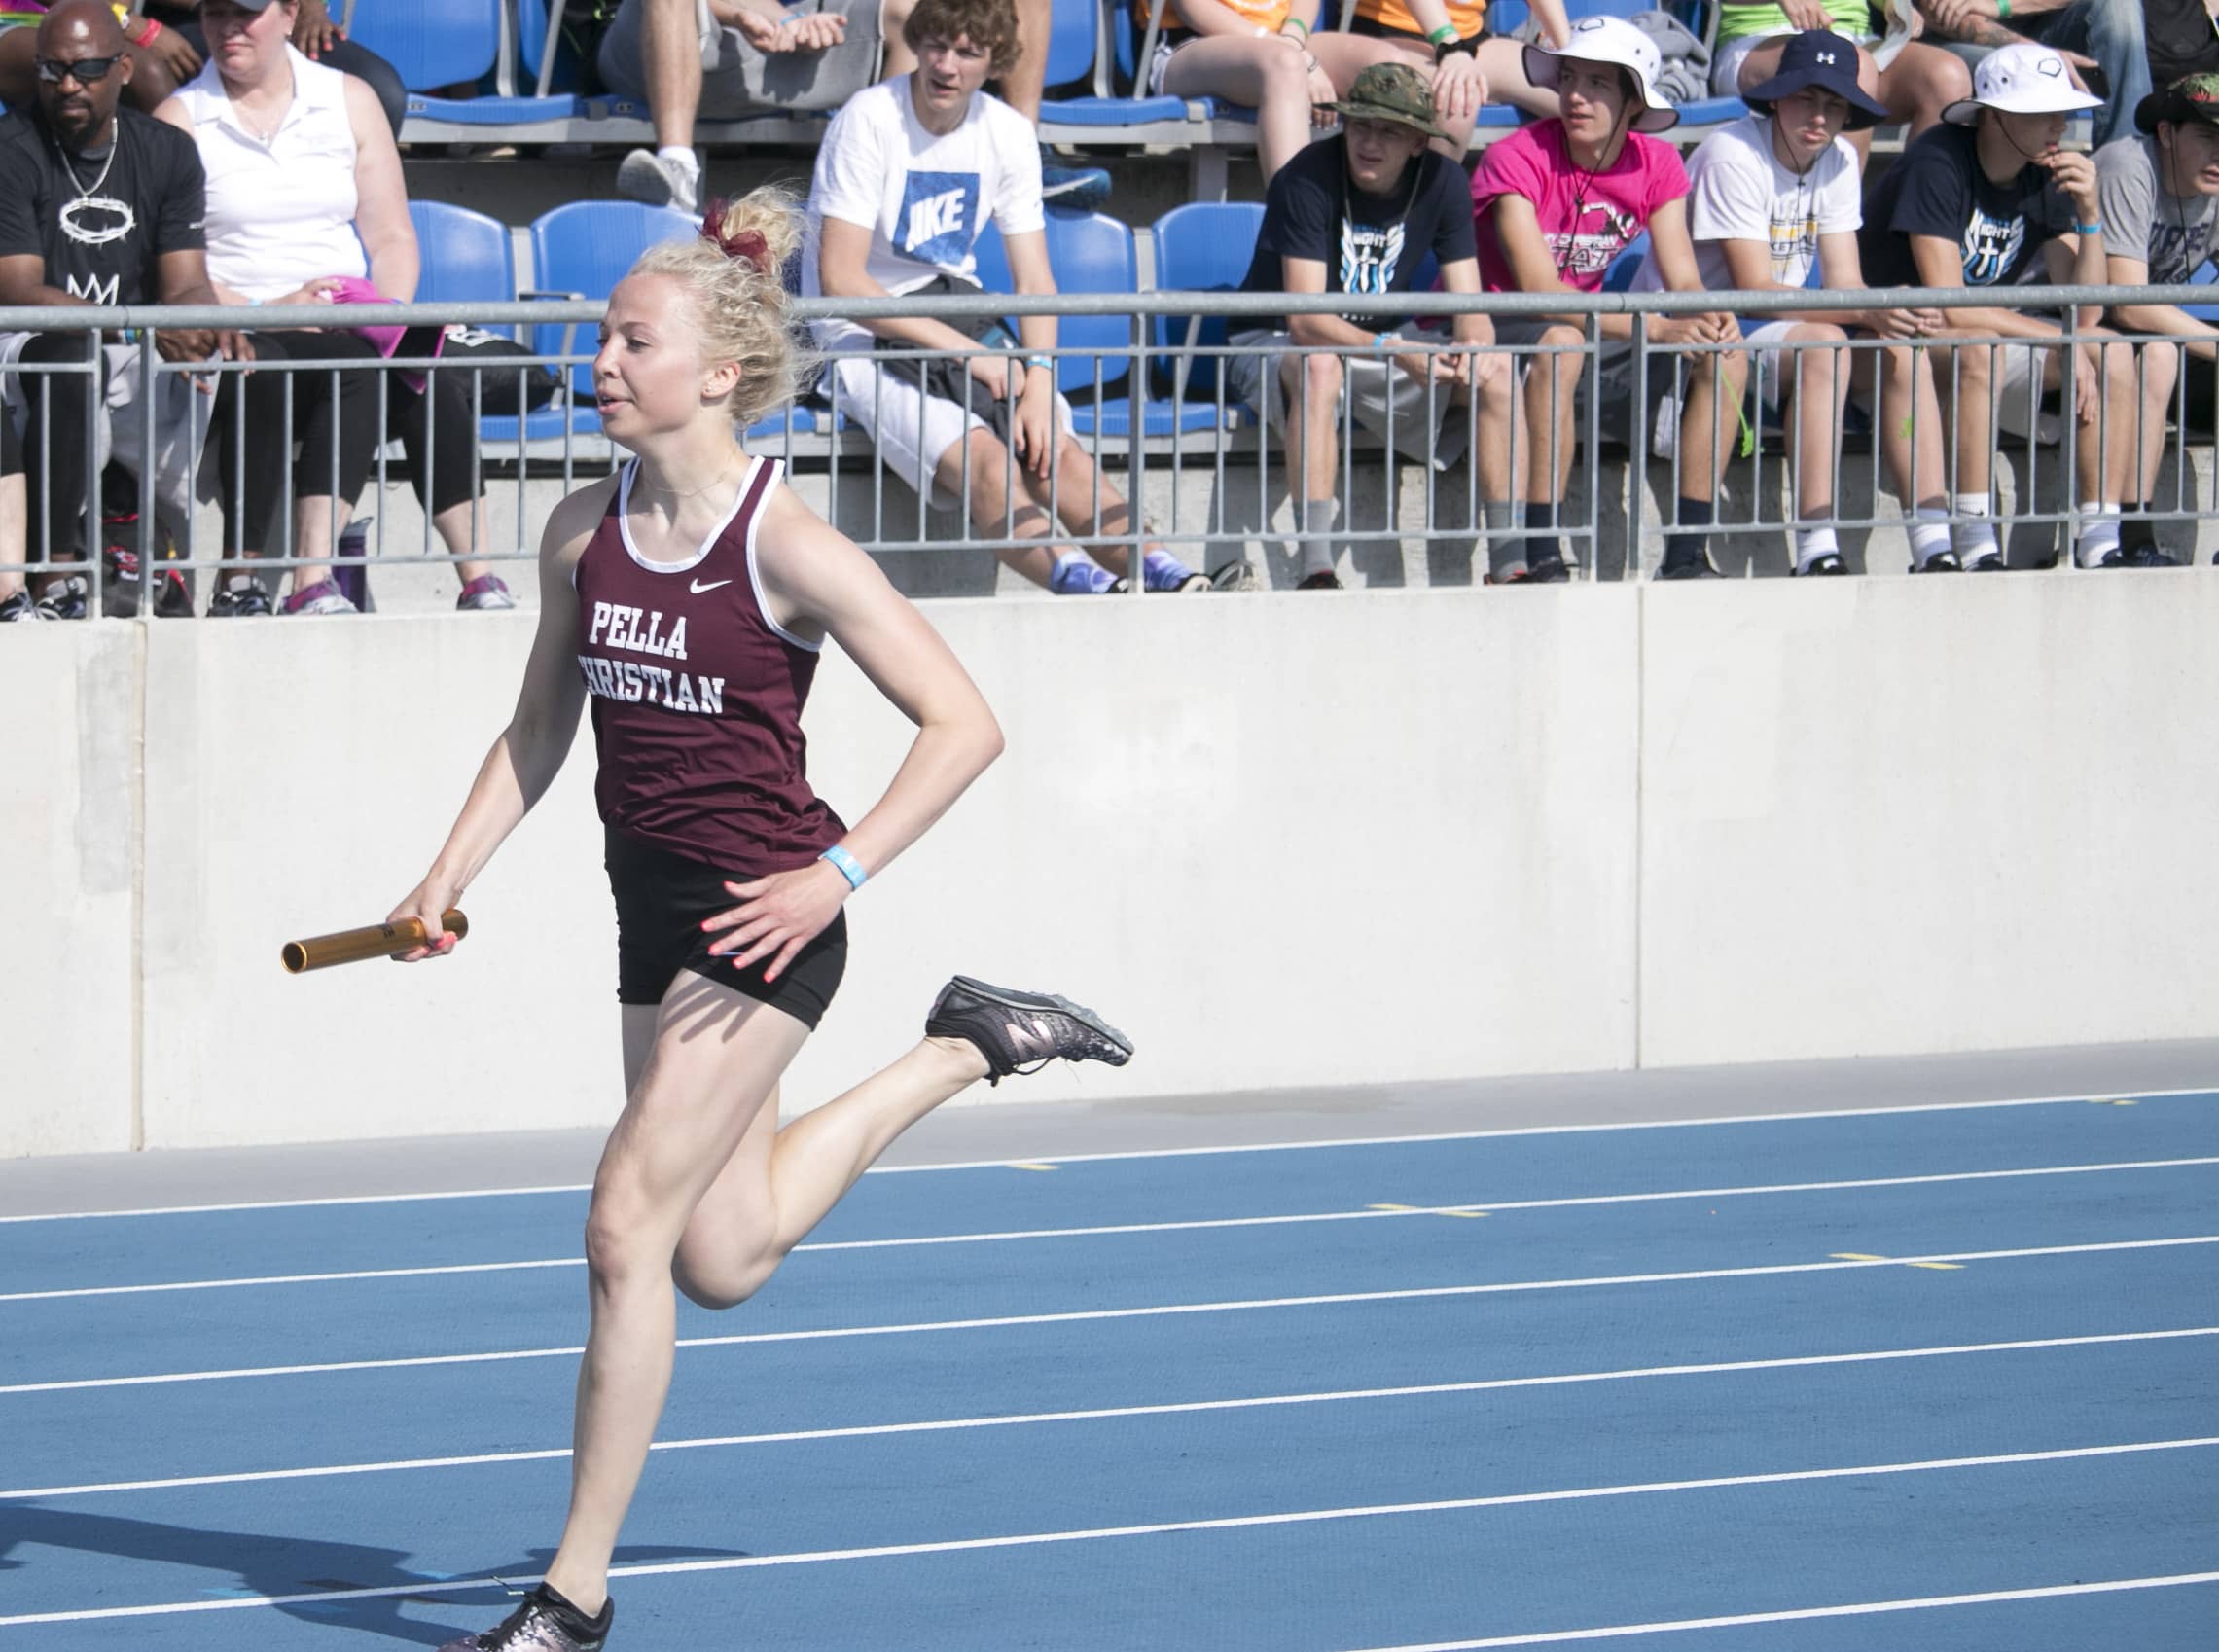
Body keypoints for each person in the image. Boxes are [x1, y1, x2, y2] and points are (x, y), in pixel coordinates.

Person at [401, 187, 1133, 1652]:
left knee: (624, 1227)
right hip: (649, 915)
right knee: (719, 1257)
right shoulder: (576, 530)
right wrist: (446, 873)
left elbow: (961, 722)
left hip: (769, 922)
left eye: (630, 340)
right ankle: (967, 1046)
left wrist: (837, 873)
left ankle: (573, 1596)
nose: (600, 360)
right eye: (601, 336)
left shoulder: (789, 545)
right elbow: (540, 727)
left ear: (715, 373)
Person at [806, 0, 1214, 595]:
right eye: (937, 45)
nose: (946, 65)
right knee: (989, 462)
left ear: (994, 61)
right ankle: (1087, 586)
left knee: (1055, 451)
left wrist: (1042, 378)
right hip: (859, 337)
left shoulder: (1006, 132)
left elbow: (1035, 282)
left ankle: (1168, 576)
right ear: (917, 43)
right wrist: (967, 353)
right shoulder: (868, 118)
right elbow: (842, 282)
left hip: (958, 315)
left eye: (968, 52)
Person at [157, 0, 518, 615]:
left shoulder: (348, 98)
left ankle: (478, 576)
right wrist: (273, 306)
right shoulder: (180, 118)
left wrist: (385, 313)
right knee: (362, 368)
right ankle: (310, 578)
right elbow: (175, 269)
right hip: (242, 331)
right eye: (215, 14)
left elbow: (392, 236)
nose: (228, 29)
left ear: (290, 13)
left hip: (346, 317)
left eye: (246, 13)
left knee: (421, 369)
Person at [1859, 41, 2176, 568]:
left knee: (2112, 351)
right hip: (1895, 346)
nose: (2060, 124)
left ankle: (2098, 539)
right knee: (1983, 348)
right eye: (2043, 112)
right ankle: (1975, 541)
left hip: (1982, 341)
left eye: (2062, 112)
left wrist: (2090, 214)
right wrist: (2058, 337)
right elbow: (1949, 304)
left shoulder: (2045, 172)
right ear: (1996, 115)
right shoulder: (1937, 160)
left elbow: (2087, 312)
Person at [1471, 15, 1744, 582]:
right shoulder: (1513, 157)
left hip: (1591, 328)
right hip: (1501, 327)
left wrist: (1708, 317)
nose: (1575, 96)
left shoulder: (1659, 162)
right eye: (1569, 78)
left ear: (1634, 106)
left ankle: (1688, 552)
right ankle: (1542, 545)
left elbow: (1685, 279)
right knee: (1562, 342)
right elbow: (1538, 295)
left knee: (1727, 354)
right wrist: (1658, 330)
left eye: (1597, 84)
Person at [1675, 29, 1959, 575]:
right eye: (1807, 97)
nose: (1820, 116)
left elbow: (1845, 282)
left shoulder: (1838, 163)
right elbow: (1751, 291)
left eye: (1834, 104)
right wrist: (1863, 309)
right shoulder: (1731, 153)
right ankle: (1816, 545)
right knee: (1827, 343)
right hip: (1706, 331)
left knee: (1903, 348)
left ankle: (1933, 541)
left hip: (1777, 329)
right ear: (1777, 96)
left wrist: (1887, 307)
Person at [0, 0, 247, 621]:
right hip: (33, 342)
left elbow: (187, 281)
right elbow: (20, 291)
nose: (68, 85)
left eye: (85, 69)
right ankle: (53, 575)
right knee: (71, 351)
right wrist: (142, 325)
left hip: (137, 342)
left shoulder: (165, 151)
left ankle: (244, 578)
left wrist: (206, 326)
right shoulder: (12, 148)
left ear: (125, 69)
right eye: (52, 71)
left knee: (252, 361)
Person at [1227, 62, 1515, 589]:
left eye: (1390, 131)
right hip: (1277, 340)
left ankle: (1510, 561)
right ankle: (1315, 567)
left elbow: (1472, 310)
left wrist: (1470, 350)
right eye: (1360, 125)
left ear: (1418, 144)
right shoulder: (1307, 176)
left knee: (1495, 369)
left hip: (1380, 341)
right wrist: (1395, 349)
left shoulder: (1446, 182)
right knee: (1319, 367)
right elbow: (1306, 319)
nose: (1370, 142)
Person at [606, 0, 1110, 216]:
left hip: (804, 45)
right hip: (684, 42)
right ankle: (676, 166)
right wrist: (764, 15)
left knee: (915, 11)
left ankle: (911, 172)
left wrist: (801, 21)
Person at [0, 1, 410, 137]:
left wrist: (308, 6)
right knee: (150, 71)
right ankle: (195, 194)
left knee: (380, 89)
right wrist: (138, 26)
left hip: (260, 11)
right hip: (187, 17)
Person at [2098, 74, 2219, 468]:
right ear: (2166, 133)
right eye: (2207, 137)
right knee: (2156, 355)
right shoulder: (2127, 168)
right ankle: (2133, 529)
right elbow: (2128, 306)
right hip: (2066, 335)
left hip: (2149, 342)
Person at [1144, 0, 1385, 183]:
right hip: (1191, 46)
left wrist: (1293, 39)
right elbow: (1194, 9)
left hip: (1287, 42)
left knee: (1386, 69)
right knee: (1285, 65)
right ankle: (1295, 229)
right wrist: (1295, 55)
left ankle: (1392, 231)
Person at [1709, 0, 1971, 155]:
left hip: (1859, 43)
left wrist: (1895, 6)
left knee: (1947, 79)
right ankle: (1836, 230)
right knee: (1855, 69)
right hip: (1760, 39)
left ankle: (1910, 228)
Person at [1914, 0, 2146, 150]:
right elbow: (1945, 15)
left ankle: (2124, 171)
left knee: (2118, 5)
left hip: (2040, 30)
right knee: (2004, 71)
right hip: (1956, 40)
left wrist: (2002, 5)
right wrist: (2038, 57)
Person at [1346, 0, 1571, 155]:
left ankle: (1592, 207)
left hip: (1470, 38)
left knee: (1581, 91)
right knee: (1457, 99)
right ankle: (1432, 216)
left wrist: (1570, 51)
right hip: (1392, 33)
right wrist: (1450, 47)